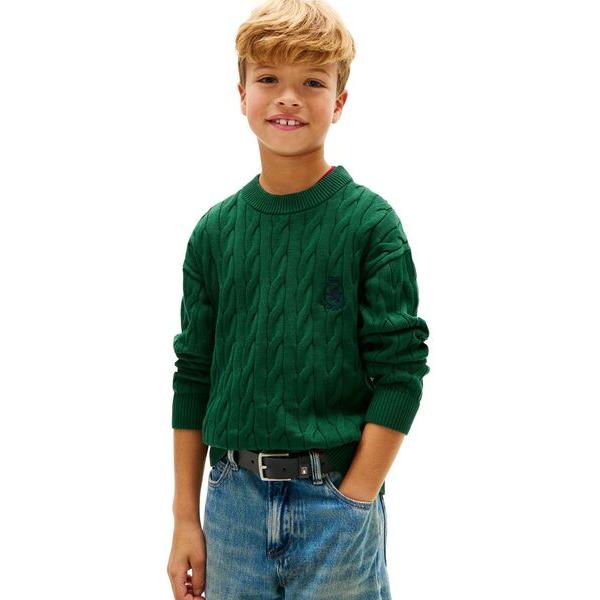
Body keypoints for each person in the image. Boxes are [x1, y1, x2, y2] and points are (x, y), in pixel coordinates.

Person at [167, 0, 431, 598]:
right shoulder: (214, 232)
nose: (288, 98)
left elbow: (401, 370)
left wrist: (356, 495)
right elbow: (194, 374)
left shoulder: (370, 224)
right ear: (242, 94)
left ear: (339, 101)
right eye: (269, 79)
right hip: (231, 504)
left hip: (334, 498)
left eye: (312, 82)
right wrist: (186, 516)